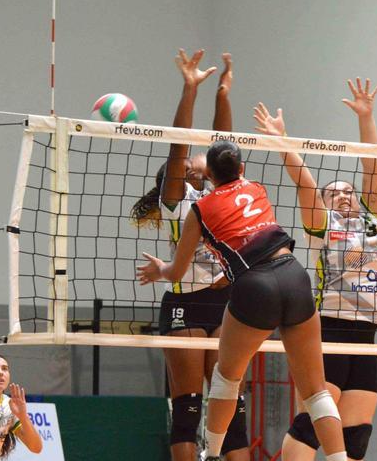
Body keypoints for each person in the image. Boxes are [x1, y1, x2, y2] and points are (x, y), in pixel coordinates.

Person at [137, 131, 347, 460]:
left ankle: (212, 454)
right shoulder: (255, 188)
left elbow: (176, 272)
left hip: (255, 286)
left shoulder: (200, 210)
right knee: (316, 391)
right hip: (294, 275)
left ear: (208, 176)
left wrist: (160, 269)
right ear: (242, 167)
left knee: (226, 378)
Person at [254, 78, 377, 461]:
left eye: (349, 190)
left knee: (356, 436)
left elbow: (373, 165)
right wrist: (284, 141)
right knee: (312, 426)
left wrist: (366, 117)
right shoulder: (322, 225)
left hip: (367, 336)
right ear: (326, 203)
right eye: (335, 192)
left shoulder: (373, 221)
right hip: (328, 330)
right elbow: (304, 182)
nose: (344, 195)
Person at [130, 48, 249, 461]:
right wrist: (189, 89)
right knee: (188, 409)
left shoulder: (223, 195)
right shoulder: (177, 202)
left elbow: (225, 147)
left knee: (232, 409)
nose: (200, 160)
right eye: (187, 165)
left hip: (227, 305)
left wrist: (223, 95)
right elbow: (180, 145)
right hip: (183, 303)